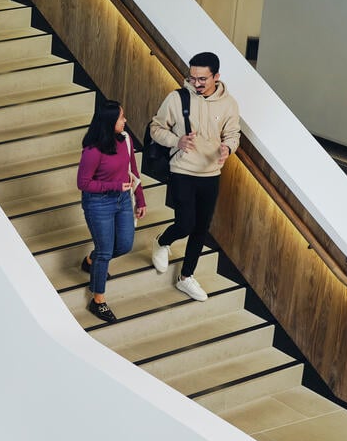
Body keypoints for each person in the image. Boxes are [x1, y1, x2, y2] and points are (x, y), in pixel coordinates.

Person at [149, 52, 240, 301]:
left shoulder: (228, 103)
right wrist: (176, 140)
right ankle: (162, 240)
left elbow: (233, 134)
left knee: (201, 227)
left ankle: (186, 277)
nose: (196, 83)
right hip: (183, 170)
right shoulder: (176, 98)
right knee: (185, 223)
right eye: (192, 77)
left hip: (211, 173)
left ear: (216, 76)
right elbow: (155, 128)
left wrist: (227, 148)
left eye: (202, 79)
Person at [77, 100, 147, 323]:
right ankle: (98, 300)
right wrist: (113, 186)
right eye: (121, 117)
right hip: (98, 203)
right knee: (105, 251)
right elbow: (83, 183)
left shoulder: (125, 140)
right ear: (108, 122)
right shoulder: (93, 150)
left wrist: (140, 198)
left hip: (122, 199)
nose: (125, 120)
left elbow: (133, 171)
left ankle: (91, 261)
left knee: (124, 245)